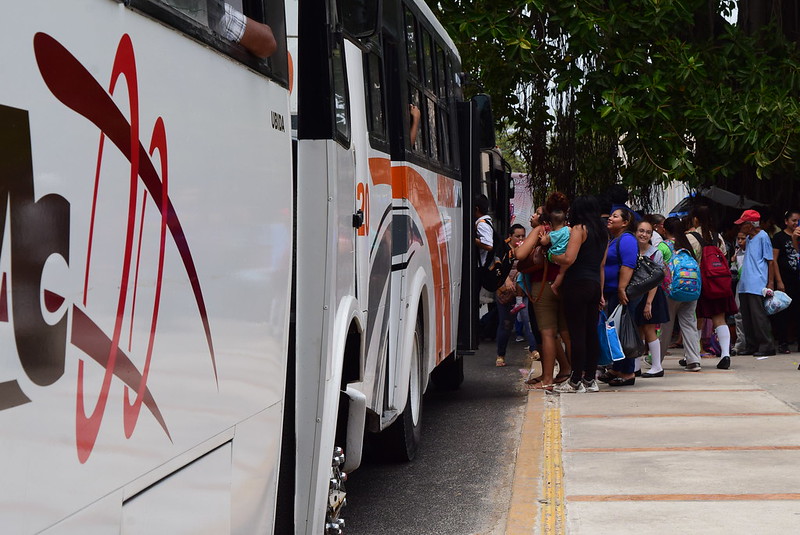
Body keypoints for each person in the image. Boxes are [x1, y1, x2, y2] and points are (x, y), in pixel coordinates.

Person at [549, 196, 607, 393]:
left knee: (577, 334)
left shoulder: (579, 229)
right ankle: (590, 379)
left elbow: (568, 258)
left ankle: (575, 380)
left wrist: (551, 255)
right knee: (591, 332)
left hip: (576, 284)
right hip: (594, 285)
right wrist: (600, 292)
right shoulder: (602, 232)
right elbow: (601, 266)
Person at [516, 204, 572, 390]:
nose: (533, 216)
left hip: (543, 284)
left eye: (537, 213)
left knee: (547, 333)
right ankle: (571, 372)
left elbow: (520, 254)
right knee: (565, 332)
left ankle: (547, 378)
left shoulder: (542, 231)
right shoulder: (569, 230)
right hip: (564, 284)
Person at [686, 204, 737, 370]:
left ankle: (692, 356)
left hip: (698, 283)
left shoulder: (690, 237)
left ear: (695, 219)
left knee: (696, 319)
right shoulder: (718, 237)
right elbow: (724, 257)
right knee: (719, 319)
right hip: (717, 283)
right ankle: (725, 354)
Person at [598, 207, 639, 386]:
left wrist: (622, 288)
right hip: (613, 292)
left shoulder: (627, 239)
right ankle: (617, 368)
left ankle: (628, 372)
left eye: (615, 216)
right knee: (614, 330)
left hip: (621, 293)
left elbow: (628, 265)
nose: (610, 218)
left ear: (625, 222)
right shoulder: (614, 239)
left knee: (623, 331)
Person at [657, 217, 703, 372]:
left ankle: (657, 359)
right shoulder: (688, 246)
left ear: (664, 230)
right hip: (690, 289)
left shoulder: (663, 246)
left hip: (670, 291)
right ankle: (693, 360)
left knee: (666, 326)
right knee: (689, 324)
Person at [494, 225, 540, 367]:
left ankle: (534, 350)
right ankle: (500, 355)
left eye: (523, 236)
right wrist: (506, 279)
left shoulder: (527, 249)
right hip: (505, 292)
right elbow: (496, 267)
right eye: (517, 236)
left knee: (528, 321)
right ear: (510, 236)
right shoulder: (503, 249)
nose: (520, 238)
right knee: (506, 324)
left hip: (523, 290)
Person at [735, 209, 777, 356]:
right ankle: (751, 345)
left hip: (757, 282)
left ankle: (767, 346)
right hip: (745, 283)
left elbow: (770, 261)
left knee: (758, 317)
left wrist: (770, 282)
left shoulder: (763, 237)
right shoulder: (749, 239)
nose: (740, 227)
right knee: (747, 317)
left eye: (743, 224)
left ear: (751, 224)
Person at [632, 220, 670, 377]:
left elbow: (656, 280)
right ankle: (635, 366)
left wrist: (649, 303)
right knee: (637, 330)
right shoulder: (632, 250)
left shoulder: (656, 253)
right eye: (641, 231)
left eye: (648, 232)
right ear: (635, 232)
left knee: (649, 329)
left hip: (651, 295)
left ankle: (657, 366)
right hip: (635, 295)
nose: (644, 235)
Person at [770, 210, 800, 353]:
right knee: (783, 312)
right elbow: (774, 260)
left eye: (798, 221)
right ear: (786, 221)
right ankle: (783, 342)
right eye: (793, 220)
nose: (796, 223)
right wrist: (778, 281)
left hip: (797, 279)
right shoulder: (778, 237)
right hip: (785, 279)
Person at [541, 207, 571, 295]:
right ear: (565, 222)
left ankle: (555, 285)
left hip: (553, 255)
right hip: (565, 254)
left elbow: (543, 242)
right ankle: (555, 285)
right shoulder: (568, 229)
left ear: (550, 224)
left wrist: (543, 237)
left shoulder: (551, 234)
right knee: (562, 271)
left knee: (561, 272)